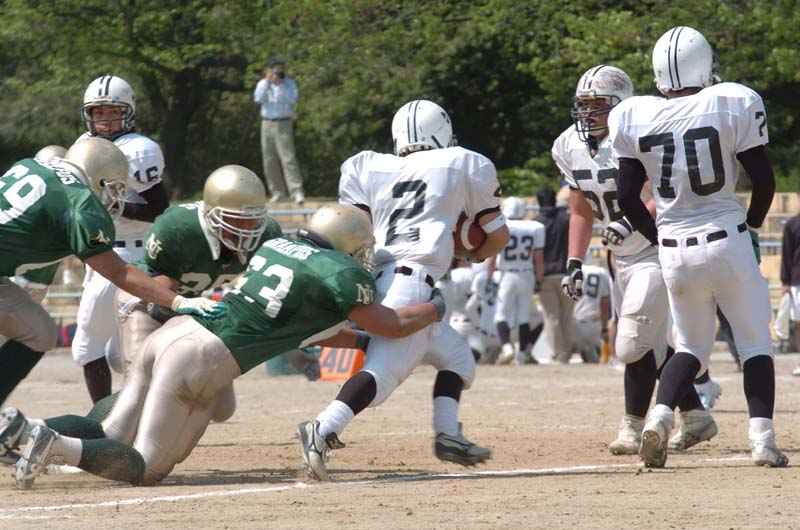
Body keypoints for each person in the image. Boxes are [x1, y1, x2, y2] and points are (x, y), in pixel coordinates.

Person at [2, 204, 447, 488]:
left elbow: (316, 331)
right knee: (147, 467)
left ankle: (27, 428)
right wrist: (435, 307)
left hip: (175, 331)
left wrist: (362, 344)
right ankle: (54, 444)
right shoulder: (339, 272)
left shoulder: (278, 245)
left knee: (115, 429)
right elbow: (392, 325)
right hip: (201, 360)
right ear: (349, 245)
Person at [298, 99, 510, 481]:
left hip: (378, 274)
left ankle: (448, 434)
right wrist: (472, 252)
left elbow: (354, 228)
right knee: (383, 375)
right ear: (442, 133)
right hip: (413, 282)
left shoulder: (367, 165)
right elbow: (497, 236)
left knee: (458, 358)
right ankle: (323, 428)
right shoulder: (463, 161)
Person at [613, 26, 787, 467]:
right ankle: (762, 440)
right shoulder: (731, 100)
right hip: (727, 237)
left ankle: (658, 419)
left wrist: (659, 239)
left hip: (674, 247)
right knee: (754, 345)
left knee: (689, 347)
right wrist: (752, 226)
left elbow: (627, 197)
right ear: (705, 65)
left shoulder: (635, 115)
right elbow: (764, 181)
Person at [557, 64, 715, 455]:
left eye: (597, 104)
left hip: (656, 248)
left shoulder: (640, 133)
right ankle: (695, 414)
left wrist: (631, 222)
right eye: (583, 104)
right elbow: (580, 211)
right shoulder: (568, 145)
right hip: (620, 257)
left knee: (630, 344)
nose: (588, 113)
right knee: (652, 345)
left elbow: (669, 191)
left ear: (620, 105)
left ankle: (632, 427)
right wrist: (574, 261)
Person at [0, 137, 221, 410]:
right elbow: (119, 271)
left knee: (39, 330)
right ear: (101, 179)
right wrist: (177, 301)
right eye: (114, 188)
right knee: (38, 332)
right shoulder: (79, 201)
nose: (113, 197)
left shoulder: (30, 165)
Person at [114, 165, 283, 378]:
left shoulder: (267, 234)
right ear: (211, 214)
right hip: (147, 300)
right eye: (236, 219)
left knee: (214, 392)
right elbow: (161, 301)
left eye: (252, 219)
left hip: (189, 307)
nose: (246, 228)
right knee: (143, 379)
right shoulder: (180, 228)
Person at [72, 75, 170, 403]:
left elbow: (159, 209)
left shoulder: (137, 149)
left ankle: (103, 423)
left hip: (124, 256)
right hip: (99, 254)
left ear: (127, 112)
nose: (105, 120)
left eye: (113, 112)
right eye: (98, 112)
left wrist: (119, 207)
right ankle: (147, 408)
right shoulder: (83, 146)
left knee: (86, 348)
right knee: (117, 356)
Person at [487, 196, 545, 364]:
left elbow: (492, 256)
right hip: (527, 273)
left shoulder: (501, 226)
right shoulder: (535, 227)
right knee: (524, 317)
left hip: (507, 274)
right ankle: (521, 353)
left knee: (501, 314)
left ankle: (507, 348)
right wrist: (539, 280)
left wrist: (489, 277)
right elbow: (539, 259)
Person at [253, 57, 304, 204]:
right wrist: (268, 83)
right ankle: (277, 192)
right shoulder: (263, 83)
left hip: (283, 123)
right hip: (266, 123)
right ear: (269, 69)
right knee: (269, 160)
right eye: (274, 68)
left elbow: (292, 99)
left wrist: (281, 84)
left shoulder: (289, 83)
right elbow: (258, 99)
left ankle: (296, 191)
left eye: (280, 68)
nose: (277, 71)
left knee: (288, 158)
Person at [534, 187, 573, 362]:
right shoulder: (567, 219)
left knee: (551, 316)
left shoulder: (535, 223)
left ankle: (558, 352)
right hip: (567, 272)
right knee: (566, 316)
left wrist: (537, 278)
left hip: (545, 275)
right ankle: (567, 351)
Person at [570, 260, 611, 363]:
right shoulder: (601, 272)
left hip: (571, 323)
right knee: (597, 356)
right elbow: (605, 302)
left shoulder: (570, 271)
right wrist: (604, 328)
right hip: (593, 323)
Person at [780, 187, 800, 375]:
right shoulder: (792, 225)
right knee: (799, 323)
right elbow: (787, 254)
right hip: (797, 281)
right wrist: (785, 282)